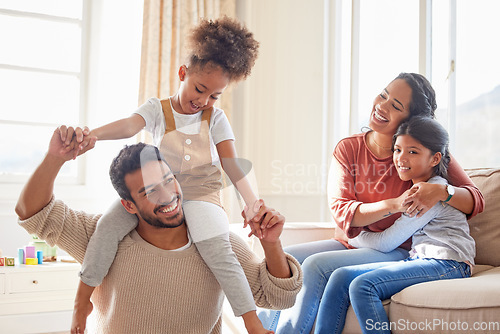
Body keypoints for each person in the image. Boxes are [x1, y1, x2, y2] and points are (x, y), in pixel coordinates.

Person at [63, 16, 268, 334]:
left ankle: (252, 322)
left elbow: (231, 162)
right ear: (183, 73)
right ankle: (81, 302)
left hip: (201, 194)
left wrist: (252, 203)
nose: (203, 100)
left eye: (214, 95)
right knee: (106, 228)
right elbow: (130, 126)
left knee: (220, 251)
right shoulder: (157, 109)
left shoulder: (215, 118)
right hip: (159, 191)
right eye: (200, 89)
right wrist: (93, 135)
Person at [14, 129, 303, 334]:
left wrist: (272, 244)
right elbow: (32, 213)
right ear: (128, 205)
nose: (167, 196)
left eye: (168, 181)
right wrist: (55, 158)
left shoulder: (217, 243)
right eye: (151, 191)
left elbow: (278, 298)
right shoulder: (101, 237)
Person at [261, 73, 484, 333]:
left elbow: (475, 199)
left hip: (397, 248)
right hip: (352, 242)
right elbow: (343, 212)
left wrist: (441, 192)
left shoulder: (420, 152)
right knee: (282, 262)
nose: (382, 105)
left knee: (315, 266)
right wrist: (393, 204)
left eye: (396, 105)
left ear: (411, 120)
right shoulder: (349, 149)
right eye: (384, 94)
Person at [315, 116, 475, 333]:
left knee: (363, 286)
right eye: (397, 150)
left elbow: (385, 243)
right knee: (341, 277)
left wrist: (350, 234)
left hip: (450, 262)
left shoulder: (428, 193)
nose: (401, 158)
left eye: (413, 151)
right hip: (423, 259)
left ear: (435, 159)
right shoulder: (416, 188)